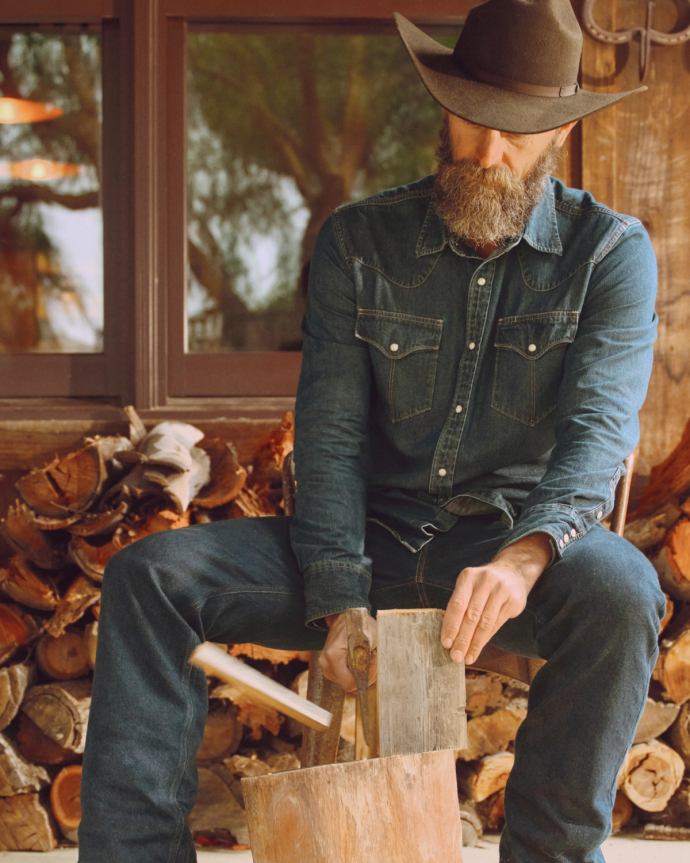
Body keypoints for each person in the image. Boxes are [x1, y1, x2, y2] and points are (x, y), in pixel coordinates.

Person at [78, 1, 666, 861]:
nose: (492, 153)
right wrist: (341, 594)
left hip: (506, 557)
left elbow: (599, 432)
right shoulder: (358, 241)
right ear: (444, 103)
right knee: (148, 577)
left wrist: (527, 554)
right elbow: (329, 438)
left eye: (520, 133)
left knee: (622, 590)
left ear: (555, 132)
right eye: (475, 123)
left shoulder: (612, 254)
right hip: (369, 543)